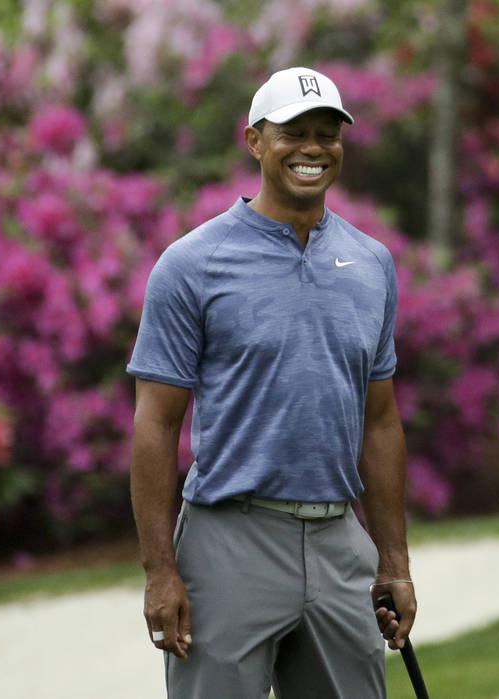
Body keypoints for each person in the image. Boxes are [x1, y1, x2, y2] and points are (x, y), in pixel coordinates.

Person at [127, 66, 416, 698]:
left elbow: (381, 420)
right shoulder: (192, 265)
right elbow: (155, 424)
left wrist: (393, 559)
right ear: (254, 141)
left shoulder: (371, 264)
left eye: (327, 134)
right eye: (293, 133)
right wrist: (159, 572)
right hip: (229, 540)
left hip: (342, 542)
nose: (313, 148)